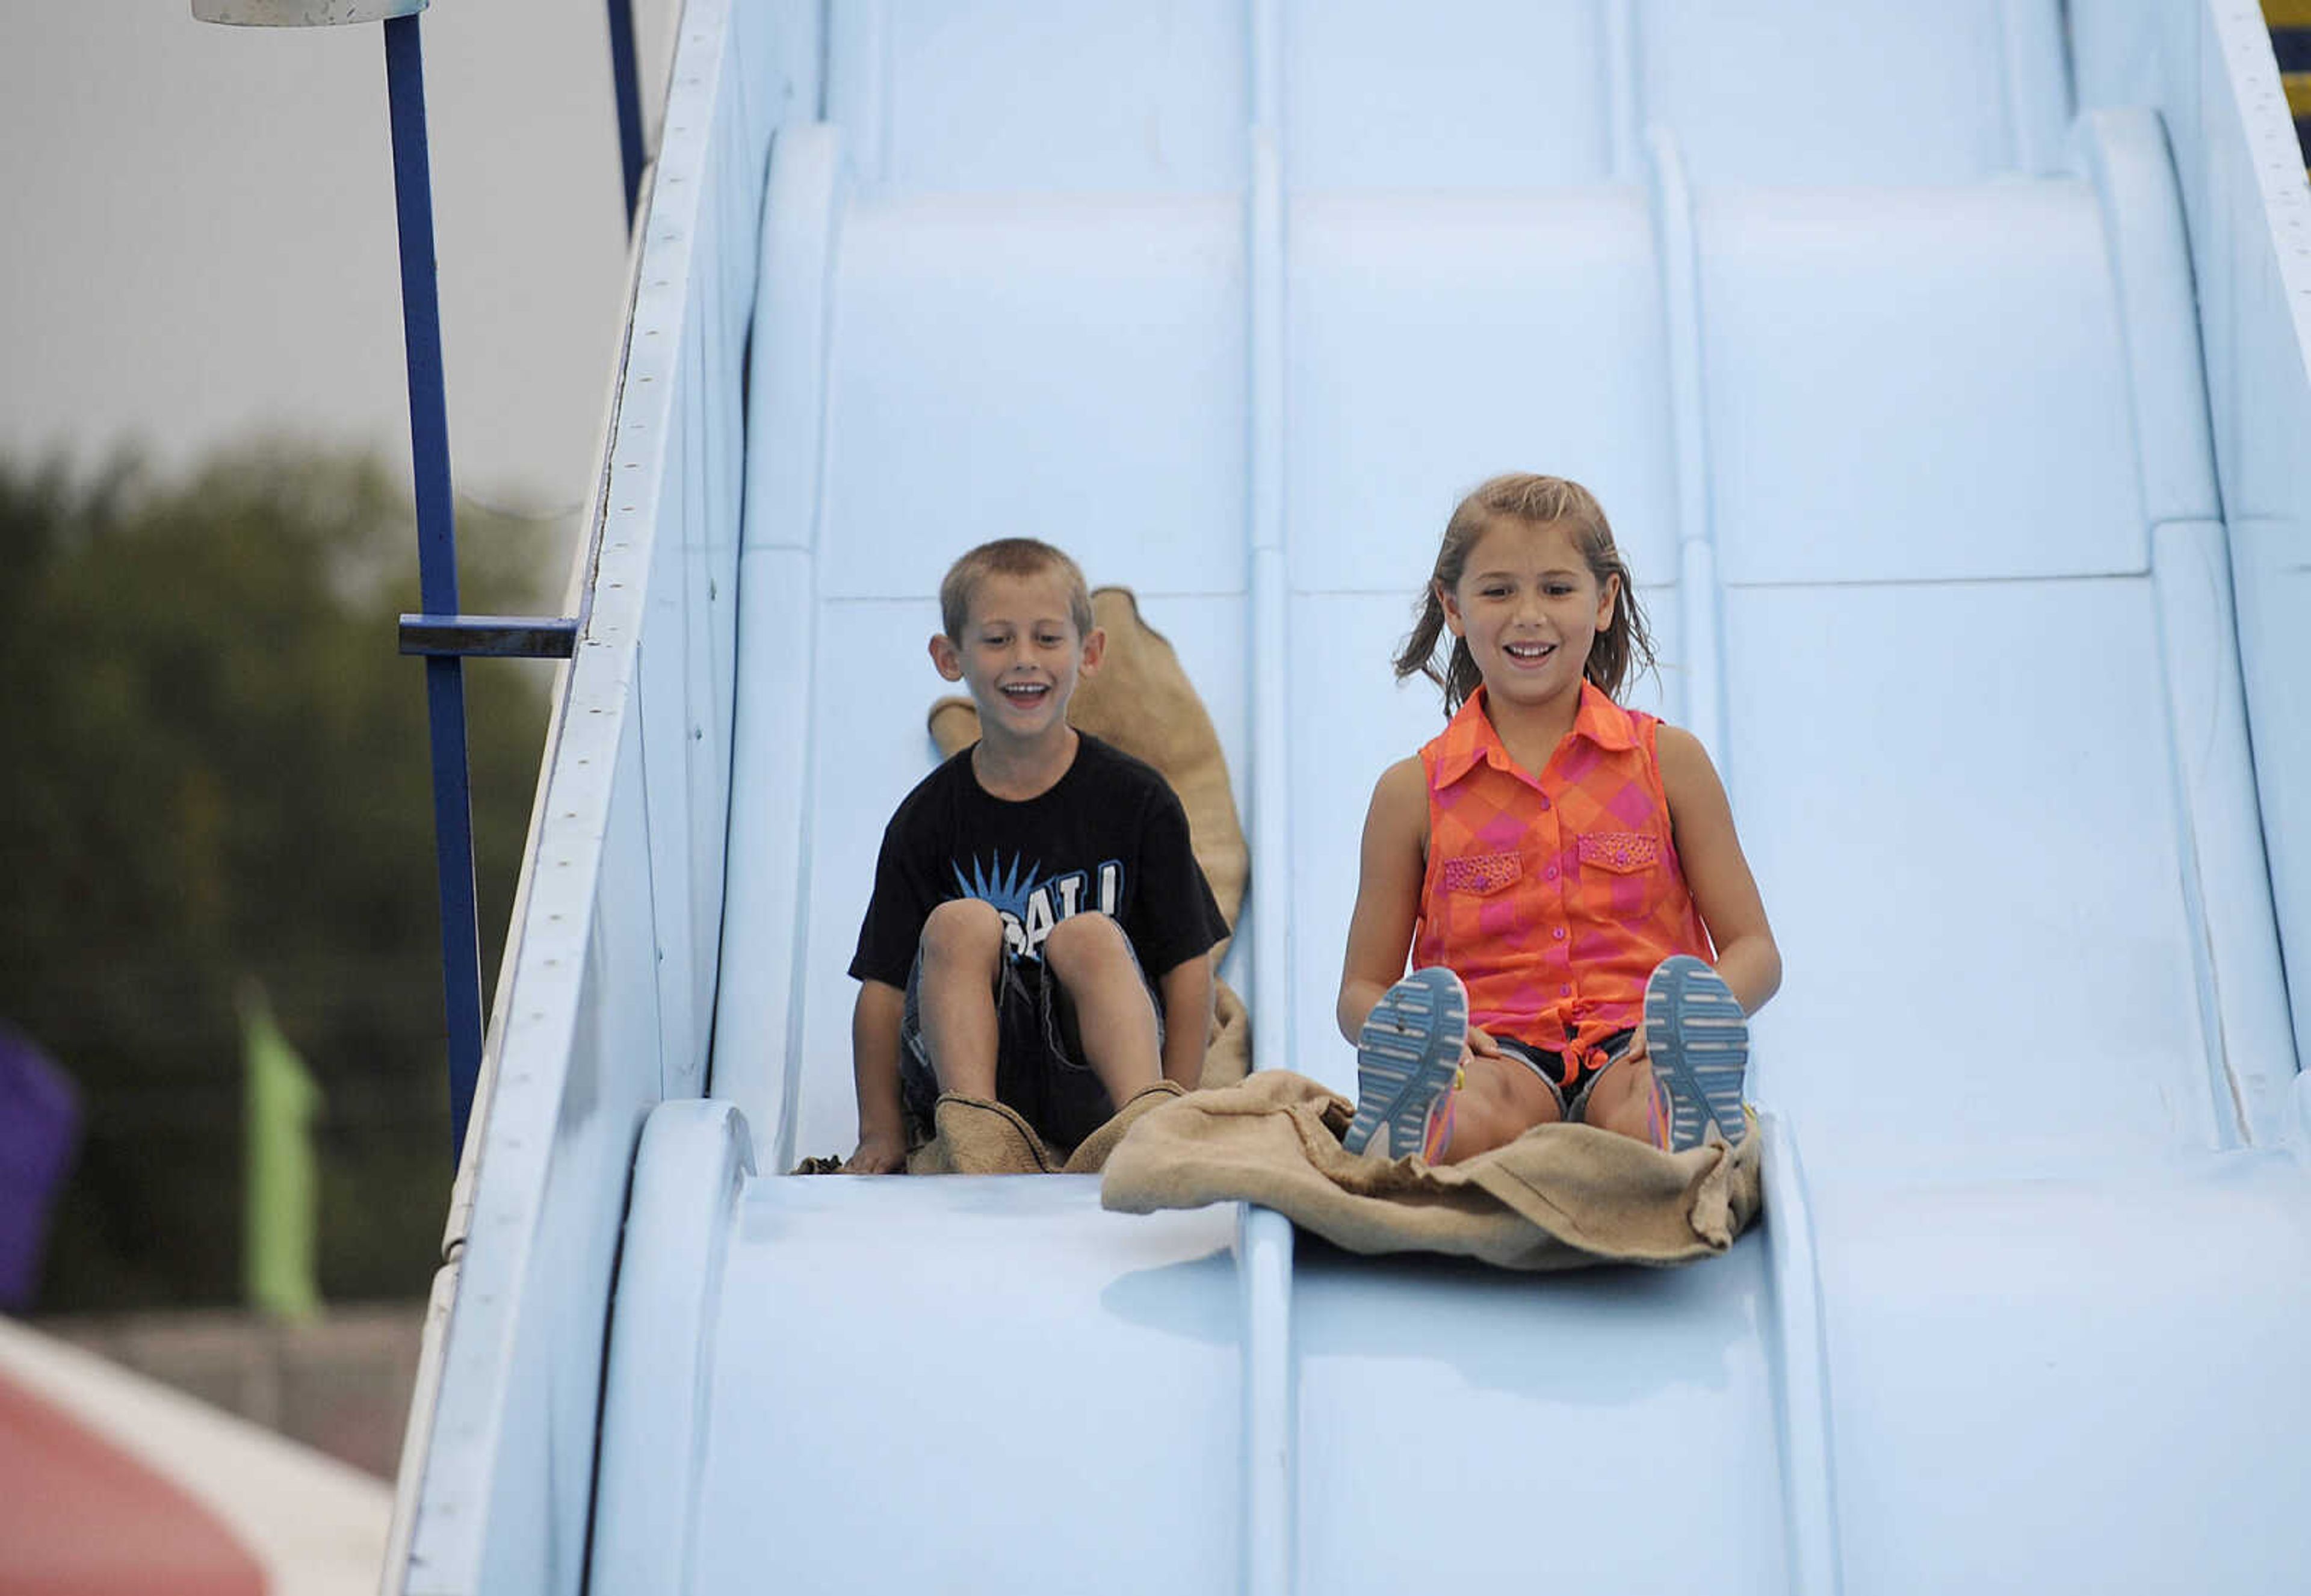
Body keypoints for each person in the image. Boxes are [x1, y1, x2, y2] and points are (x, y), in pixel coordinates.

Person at [1336, 474, 1781, 1163]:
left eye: (1557, 588)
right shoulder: (1411, 794)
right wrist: (1405, 1029)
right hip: (1491, 1047)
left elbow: (1756, 950)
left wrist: (1700, 1014)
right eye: (1497, 590)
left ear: (1604, 601)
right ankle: (1421, 1123)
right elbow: (1360, 991)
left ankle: (1686, 1108)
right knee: (1482, 1105)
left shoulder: (1670, 762)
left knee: (1641, 1105)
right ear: (1451, 606)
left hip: (1640, 1041)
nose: (1528, 614)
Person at [844, 538, 1231, 1173]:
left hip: (1094, 1071)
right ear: (950, 657)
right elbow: (883, 992)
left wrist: (1182, 1103)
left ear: (1091, 652)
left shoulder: (1138, 801)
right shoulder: (927, 820)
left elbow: (1189, 972)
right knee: (960, 923)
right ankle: (981, 1137)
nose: (1025, 660)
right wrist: (880, 1130)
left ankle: (1146, 1127)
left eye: (1048, 639)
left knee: (1089, 936)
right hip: (965, 1070)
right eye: (997, 640)